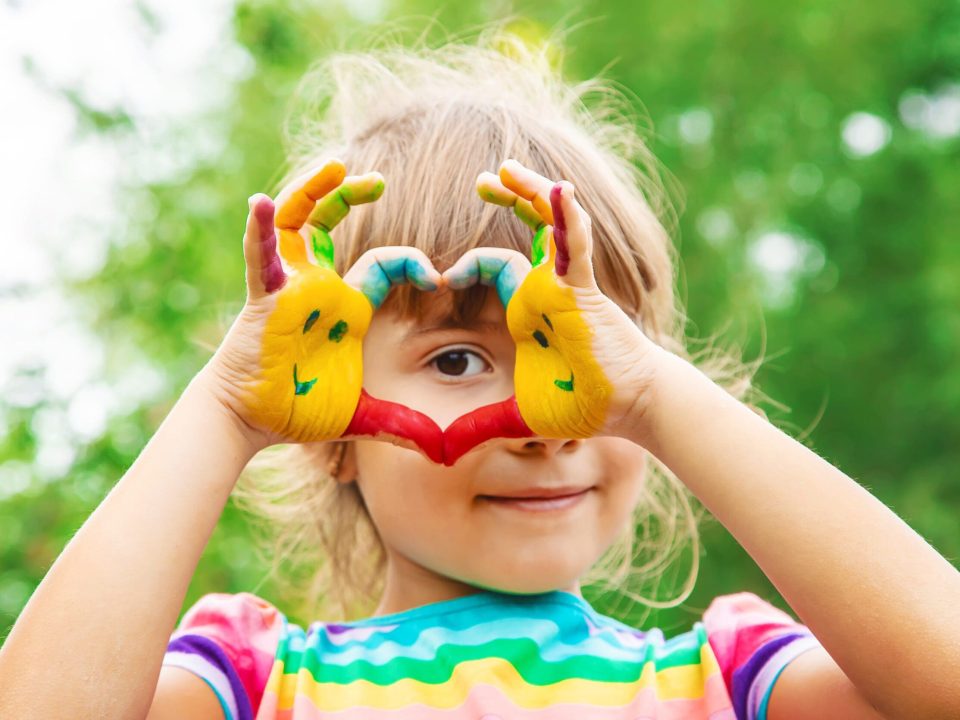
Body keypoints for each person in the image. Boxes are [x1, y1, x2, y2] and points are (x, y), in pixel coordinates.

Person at [1, 30, 958, 720]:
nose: (546, 421)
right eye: (458, 358)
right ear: (330, 428)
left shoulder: (730, 682)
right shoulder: (256, 686)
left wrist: (659, 396)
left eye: (591, 355)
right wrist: (221, 411)